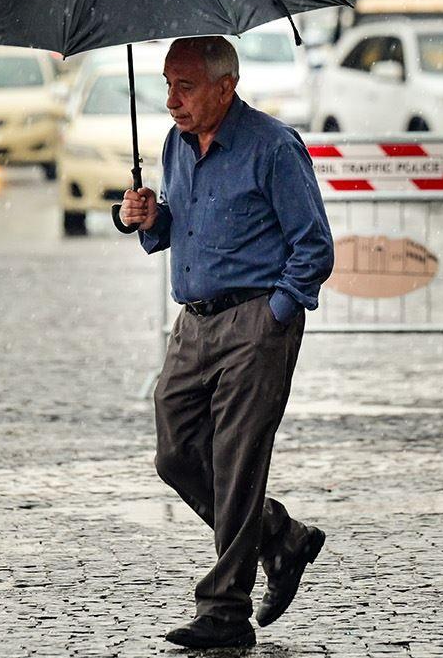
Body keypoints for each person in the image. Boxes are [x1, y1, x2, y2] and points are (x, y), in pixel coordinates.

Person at [119, 36, 334, 650]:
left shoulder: (274, 147)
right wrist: (149, 217)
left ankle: (224, 610)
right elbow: (179, 225)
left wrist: (275, 313)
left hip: (254, 322)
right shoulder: (176, 144)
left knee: (237, 462)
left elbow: (314, 246)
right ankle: (281, 538)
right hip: (193, 322)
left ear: (226, 86)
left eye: (184, 87)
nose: (172, 100)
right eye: (167, 85)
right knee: (176, 453)